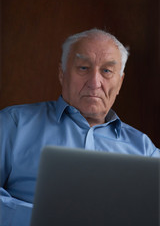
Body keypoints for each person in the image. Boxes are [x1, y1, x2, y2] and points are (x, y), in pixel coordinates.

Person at [0, 28, 159, 226]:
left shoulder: (145, 149)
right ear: (62, 74)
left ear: (120, 83)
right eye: (83, 67)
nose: (94, 82)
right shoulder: (13, 124)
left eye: (107, 71)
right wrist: (45, 218)